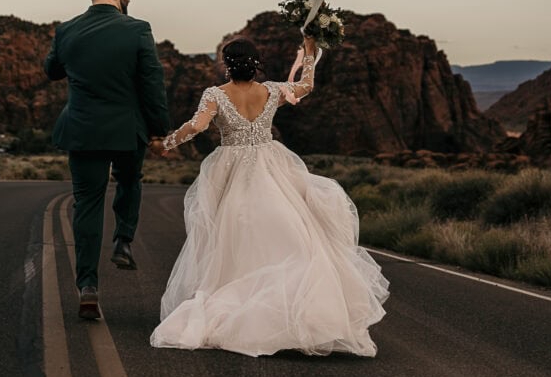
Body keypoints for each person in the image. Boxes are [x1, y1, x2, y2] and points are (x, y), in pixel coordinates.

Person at [150, 35, 389, 357]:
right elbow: (306, 86)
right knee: (288, 232)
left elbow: (197, 126)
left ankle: (246, 306)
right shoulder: (272, 90)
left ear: (227, 64)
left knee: (233, 237)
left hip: (231, 168)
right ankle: (292, 314)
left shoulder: (215, 94)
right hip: (272, 165)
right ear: (255, 62)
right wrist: (308, 53)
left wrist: (165, 144)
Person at [45, 0, 171, 320]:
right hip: (126, 131)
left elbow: (51, 70)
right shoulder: (137, 30)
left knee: (87, 204)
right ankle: (123, 240)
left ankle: (87, 287)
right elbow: (152, 83)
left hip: (83, 130)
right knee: (130, 180)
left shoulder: (66, 30)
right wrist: (159, 130)